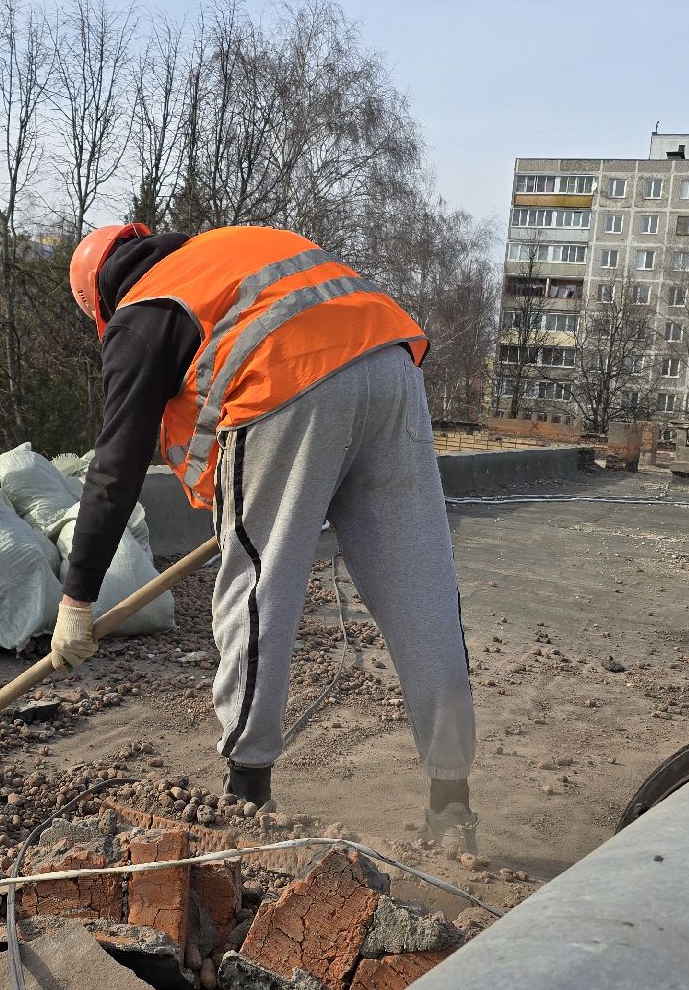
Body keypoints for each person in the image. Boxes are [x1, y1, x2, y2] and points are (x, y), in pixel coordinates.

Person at [50, 222, 480, 853]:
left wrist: (77, 598)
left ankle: (248, 794)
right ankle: (452, 805)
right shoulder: (226, 252)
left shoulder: (142, 316)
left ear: (101, 301)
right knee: (422, 591)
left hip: (287, 379)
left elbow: (115, 467)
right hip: (391, 368)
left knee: (259, 586)